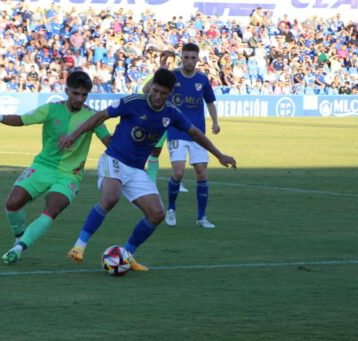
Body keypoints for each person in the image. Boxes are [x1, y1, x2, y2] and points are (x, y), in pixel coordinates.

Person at [59, 69, 236, 271]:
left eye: (164, 93)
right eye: (156, 91)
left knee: (157, 213)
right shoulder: (133, 102)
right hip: (114, 158)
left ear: (170, 94)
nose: (159, 96)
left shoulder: (171, 113)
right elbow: (100, 116)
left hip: (136, 169)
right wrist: (73, 135)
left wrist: (219, 155)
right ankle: (79, 246)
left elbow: (195, 133)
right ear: (151, 87)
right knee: (110, 197)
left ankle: (127, 255)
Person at [0, 70, 111, 264]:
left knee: (53, 208)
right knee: (12, 204)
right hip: (42, 166)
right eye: (76, 93)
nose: (80, 98)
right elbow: (22, 120)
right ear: (67, 91)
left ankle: (18, 248)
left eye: (84, 95)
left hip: (69, 175)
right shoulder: (51, 109)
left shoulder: (92, 117)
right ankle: (20, 236)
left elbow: (109, 141)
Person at [162, 43, 222, 228]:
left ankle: (201, 218)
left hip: (197, 133)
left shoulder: (202, 80)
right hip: (176, 131)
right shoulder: (172, 77)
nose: (189, 61)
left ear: (197, 59)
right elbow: (157, 93)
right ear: (181, 58)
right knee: (178, 172)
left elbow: (210, 102)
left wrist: (215, 121)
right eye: (186, 57)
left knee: (202, 173)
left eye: (192, 57)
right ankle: (171, 209)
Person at [140, 50, 187, 192]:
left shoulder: (180, 77)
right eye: (166, 61)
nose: (169, 64)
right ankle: (150, 183)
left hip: (176, 121)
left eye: (171, 61)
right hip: (159, 121)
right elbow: (144, 91)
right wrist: (160, 72)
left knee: (179, 152)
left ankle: (178, 182)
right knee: (155, 152)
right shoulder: (153, 77)